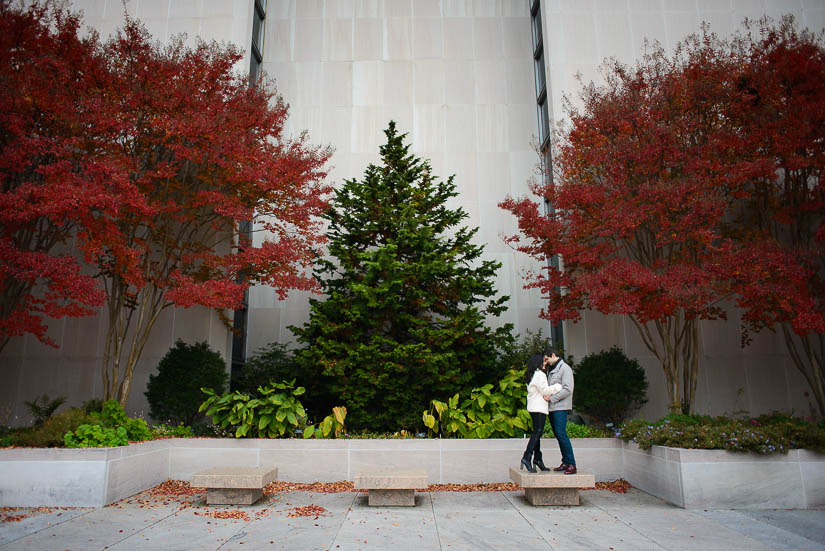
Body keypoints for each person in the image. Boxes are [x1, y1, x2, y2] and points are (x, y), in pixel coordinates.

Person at [520, 353, 560, 473]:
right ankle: (527, 457)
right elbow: (546, 391)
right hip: (539, 408)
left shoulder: (532, 374)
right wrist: (558, 387)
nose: (545, 363)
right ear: (537, 362)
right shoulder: (539, 375)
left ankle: (538, 458)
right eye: (543, 361)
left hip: (533, 408)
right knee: (537, 432)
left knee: (537, 433)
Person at [544, 344, 577, 474]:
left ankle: (571, 464)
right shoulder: (553, 368)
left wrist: (551, 399)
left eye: (547, 359)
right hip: (553, 408)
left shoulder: (565, 369)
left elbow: (568, 389)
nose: (546, 362)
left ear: (553, 355)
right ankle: (565, 462)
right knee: (558, 434)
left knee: (561, 434)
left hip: (560, 407)